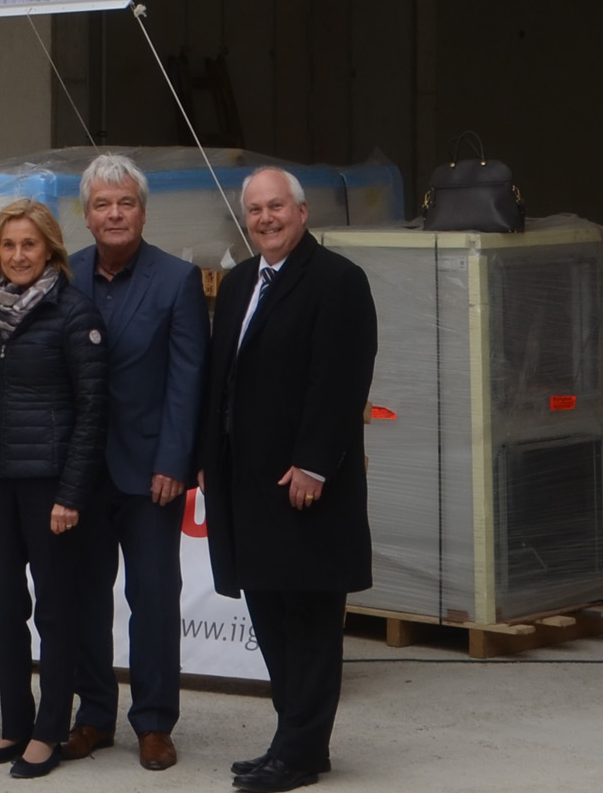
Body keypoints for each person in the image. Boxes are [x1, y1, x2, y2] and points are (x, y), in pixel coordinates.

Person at [198, 169, 377, 793]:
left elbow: (340, 381)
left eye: (277, 206)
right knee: (270, 614)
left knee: (310, 620)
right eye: (255, 210)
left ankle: (298, 753)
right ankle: (296, 740)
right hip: (246, 485)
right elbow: (223, 381)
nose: (266, 218)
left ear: (302, 213)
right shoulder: (243, 281)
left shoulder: (338, 282)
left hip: (304, 487)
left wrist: (314, 463)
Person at [65, 153, 207, 772]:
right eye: (102, 204)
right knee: (83, 598)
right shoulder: (62, 275)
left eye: (125, 203)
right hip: (79, 475)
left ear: (143, 213)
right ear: (87, 215)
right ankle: (93, 714)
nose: (114, 213)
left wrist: (174, 460)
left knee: (153, 597)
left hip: (153, 473)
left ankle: (154, 722)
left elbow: (187, 380)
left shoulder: (176, 279)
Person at [0, 199, 104, 779]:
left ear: (50, 248)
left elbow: (93, 410)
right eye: (8, 245)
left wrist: (71, 495)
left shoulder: (74, 313)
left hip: (51, 488)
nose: (19, 255)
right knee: (3, 610)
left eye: (29, 244)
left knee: (55, 611)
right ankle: (13, 724)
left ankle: (49, 731)